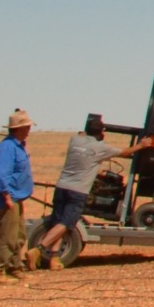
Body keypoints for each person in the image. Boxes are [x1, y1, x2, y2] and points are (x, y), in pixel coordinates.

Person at [35, 115, 131, 268]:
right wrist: (142, 145)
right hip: (78, 191)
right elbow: (125, 153)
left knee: (57, 223)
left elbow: (81, 135)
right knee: (67, 223)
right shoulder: (100, 147)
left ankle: (54, 258)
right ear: (102, 132)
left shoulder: (74, 140)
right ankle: (38, 249)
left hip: (61, 187)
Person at [0, 109, 34, 282]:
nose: (29, 129)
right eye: (27, 126)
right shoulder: (6, 148)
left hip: (16, 197)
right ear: (20, 128)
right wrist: (6, 196)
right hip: (8, 198)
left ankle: (15, 267)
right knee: (6, 235)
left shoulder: (18, 146)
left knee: (18, 235)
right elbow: (0, 174)